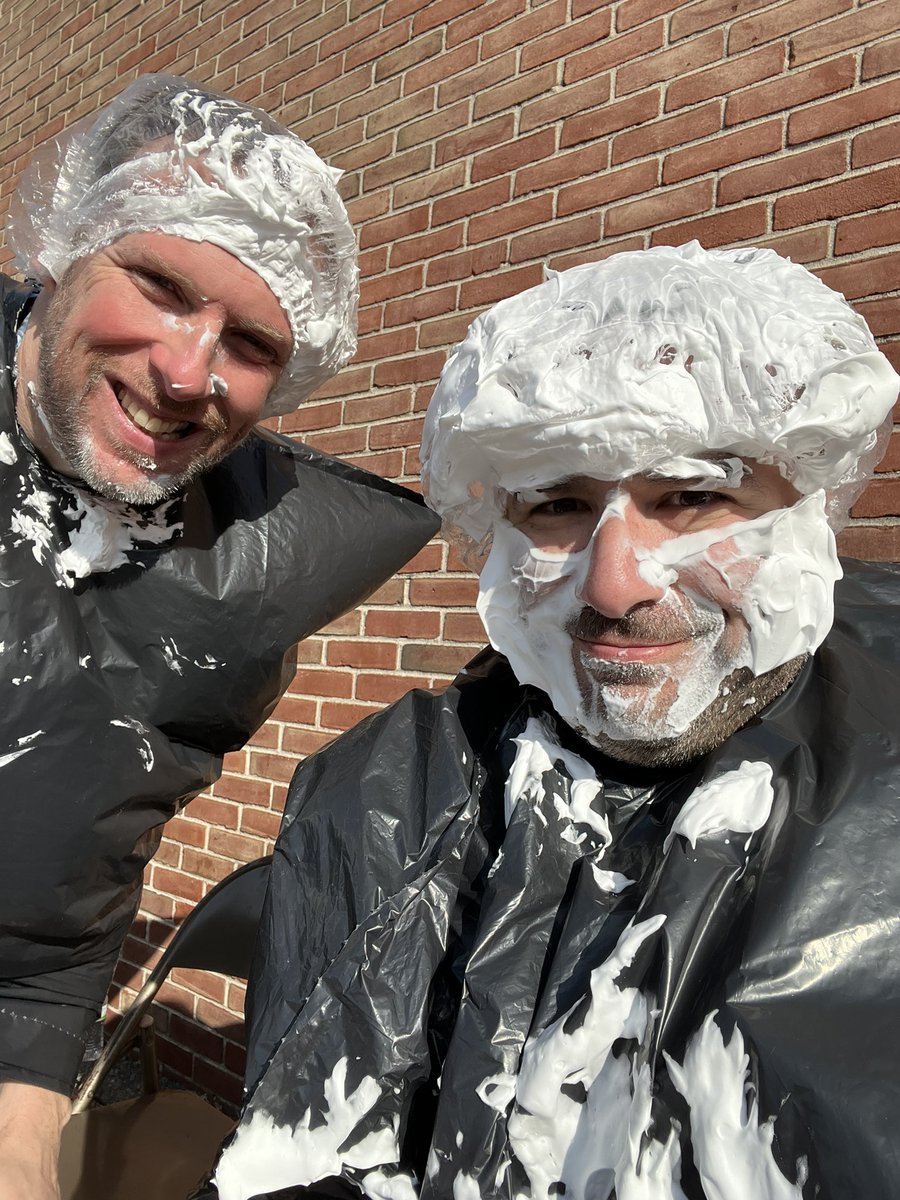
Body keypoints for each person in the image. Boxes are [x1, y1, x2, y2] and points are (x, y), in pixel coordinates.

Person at [210, 242, 900, 1200]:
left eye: (692, 495)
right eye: (561, 507)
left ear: (808, 503)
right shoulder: (384, 794)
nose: (615, 587)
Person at [0, 74, 437, 1199]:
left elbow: (47, 950)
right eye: (157, 284)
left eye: (248, 340)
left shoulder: (232, 588)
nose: (189, 375)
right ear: (60, 248)